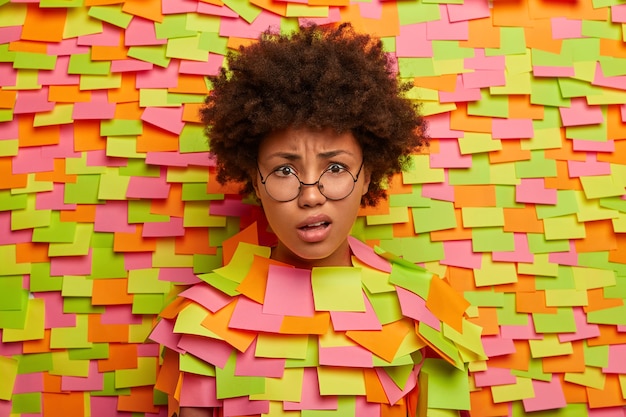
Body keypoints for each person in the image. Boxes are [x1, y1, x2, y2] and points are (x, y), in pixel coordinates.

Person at [150, 23, 484, 417]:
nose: (311, 195)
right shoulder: (201, 320)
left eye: (337, 168)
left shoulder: (426, 311)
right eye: (284, 171)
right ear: (255, 181)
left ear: (369, 176)